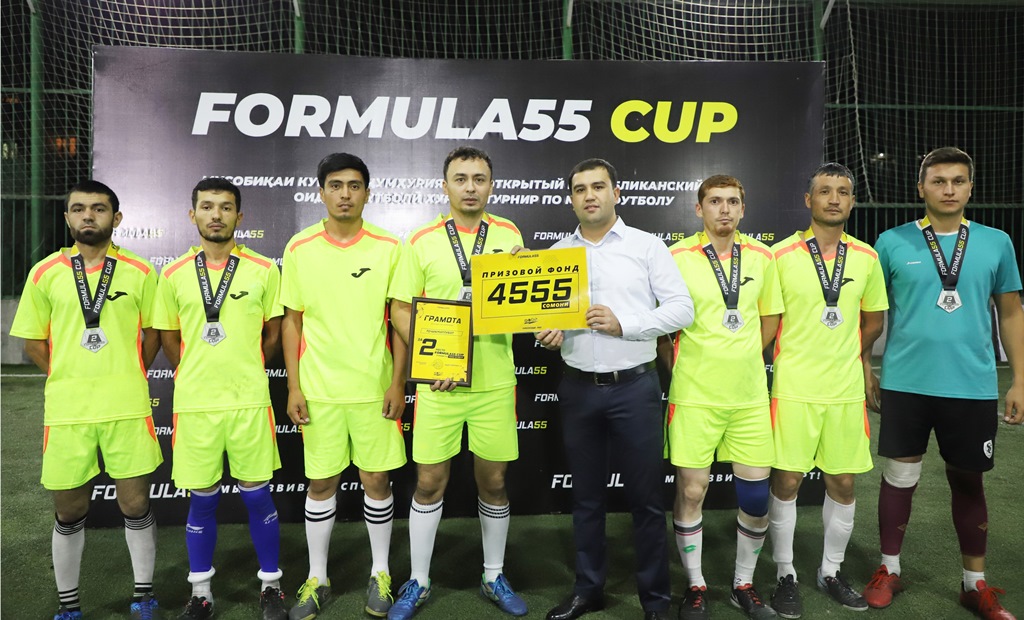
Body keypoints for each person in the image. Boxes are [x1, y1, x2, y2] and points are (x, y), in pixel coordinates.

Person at [862, 147, 1022, 620]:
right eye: (938, 181)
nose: (948, 189)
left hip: (972, 385)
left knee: (968, 481)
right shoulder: (891, 242)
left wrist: (1020, 379)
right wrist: (863, 365)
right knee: (899, 477)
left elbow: (1011, 313)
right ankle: (889, 569)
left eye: (957, 181)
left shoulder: (997, 242)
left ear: (970, 188)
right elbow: (869, 314)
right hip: (906, 383)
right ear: (921, 188)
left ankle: (974, 585)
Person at [536, 158, 694, 620]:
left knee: (646, 501)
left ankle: (656, 601)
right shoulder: (556, 254)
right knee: (586, 499)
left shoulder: (647, 246)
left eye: (598, 186)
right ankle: (588, 590)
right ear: (571, 199)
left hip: (635, 387)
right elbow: (542, 318)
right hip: (578, 388)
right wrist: (546, 335)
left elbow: (682, 308)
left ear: (616, 193)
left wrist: (626, 323)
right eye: (580, 189)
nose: (590, 195)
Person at [10, 180, 163, 620]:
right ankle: (69, 606)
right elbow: (34, 343)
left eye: (98, 208)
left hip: (127, 407)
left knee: (135, 504)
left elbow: (154, 333)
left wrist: (127, 371)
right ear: (67, 218)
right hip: (68, 411)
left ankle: (144, 597)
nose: (88, 216)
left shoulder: (140, 271)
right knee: (69, 509)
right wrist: (68, 376)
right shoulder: (44, 272)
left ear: (116, 218)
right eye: (79, 209)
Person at [387, 146, 528, 620]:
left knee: (494, 481)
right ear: (444, 185)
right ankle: (419, 579)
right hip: (439, 388)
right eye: (461, 178)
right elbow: (401, 309)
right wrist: (431, 358)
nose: (471, 187)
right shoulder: (420, 240)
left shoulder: (509, 234)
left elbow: (522, 304)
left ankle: (493, 574)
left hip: (494, 383)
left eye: (479, 179)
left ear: (491, 185)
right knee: (429, 482)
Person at [280, 153, 409, 619]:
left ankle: (381, 572)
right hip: (319, 390)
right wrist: (294, 387)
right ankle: (317, 576)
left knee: (377, 480)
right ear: (321, 192)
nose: (345, 194)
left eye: (354, 186)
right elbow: (291, 321)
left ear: (367, 193)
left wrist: (397, 382)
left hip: (374, 389)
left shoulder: (390, 246)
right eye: (335, 185)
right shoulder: (299, 247)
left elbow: (399, 320)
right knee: (321, 482)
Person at [153, 178, 286, 620]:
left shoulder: (264, 269)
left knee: (258, 497)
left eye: (226, 207)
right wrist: (197, 372)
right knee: (203, 500)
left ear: (239, 216)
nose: (216, 215)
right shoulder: (172, 274)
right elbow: (169, 338)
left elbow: (272, 335)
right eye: (207, 207)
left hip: (249, 402)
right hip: (195, 406)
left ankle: (271, 587)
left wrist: (245, 367)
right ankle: (201, 593)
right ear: (193, 215)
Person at [766, 162, 887, 618]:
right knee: (787, 481)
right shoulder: (778, 255)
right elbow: (769, 322)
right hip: (793, 389)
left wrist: (853, 359)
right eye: (824, 191)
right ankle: (785, 573)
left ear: (852, 201)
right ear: (808, 199)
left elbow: (873, 321)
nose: (834, 199)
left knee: (843, 482)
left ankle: (830, 571)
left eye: (842, 192)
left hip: (844, 391)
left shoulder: (867, 257)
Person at [666, 175, 783, 620]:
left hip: (749, 398)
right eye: (715, 201)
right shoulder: (676, 257)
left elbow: (769, 318)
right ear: (699, 209)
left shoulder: (763, 256)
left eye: (733, 201)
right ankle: (696, 585)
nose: (725, 209)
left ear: (743, 208)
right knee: (692, 490)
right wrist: (689, 367)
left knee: (754, 499)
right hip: (694, 397)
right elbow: (662, 327)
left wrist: (741, 358)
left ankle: (743, 584)